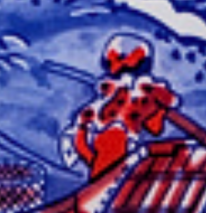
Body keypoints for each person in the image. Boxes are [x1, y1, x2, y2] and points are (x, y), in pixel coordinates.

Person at [69, 35, 178, 180]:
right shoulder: (110, 93)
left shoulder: (146, 92)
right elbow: (82, 136)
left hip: (122, 150)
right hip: (105, 146)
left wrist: (159, 105)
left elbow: (155, 127)